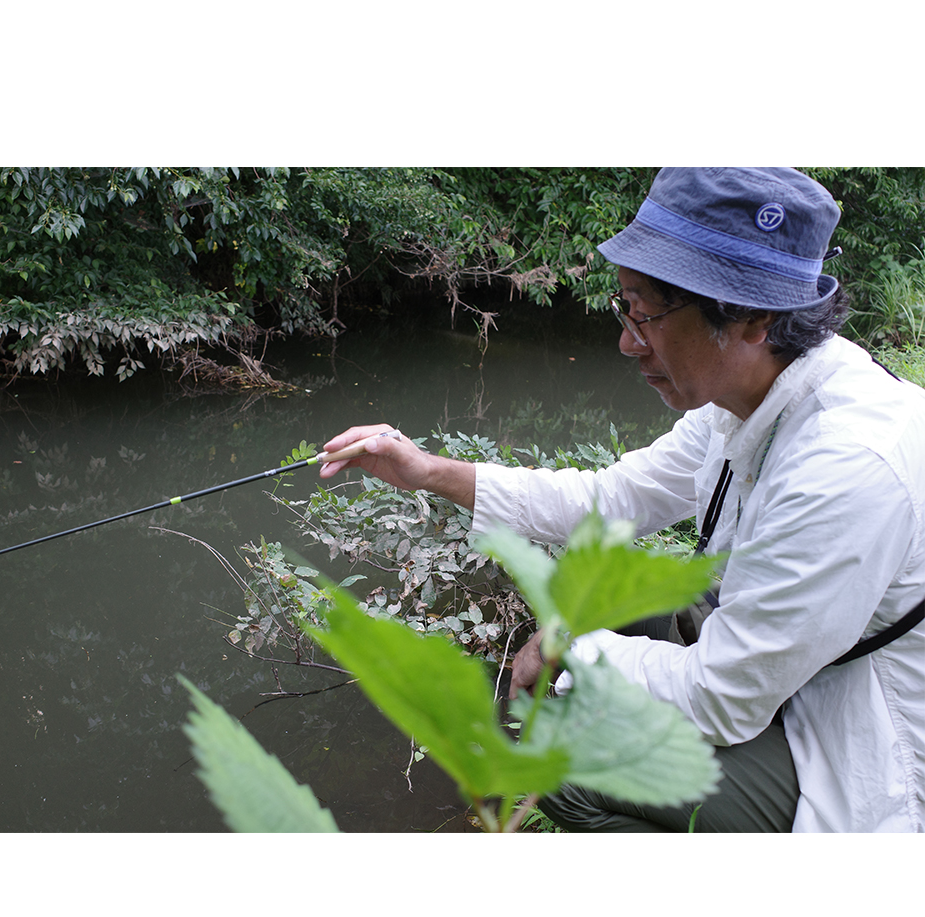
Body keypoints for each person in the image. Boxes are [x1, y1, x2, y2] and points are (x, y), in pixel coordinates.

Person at [318, 168, 925, 834]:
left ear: (753, 319)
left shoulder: (846, 463)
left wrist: (570, 649)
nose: (628, 341)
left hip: (856, 719)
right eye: (625, 309)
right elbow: (611, 499)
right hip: (788, 665)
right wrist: (429, 470)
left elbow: (724, 699)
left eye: (648, 314)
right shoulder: (749, 394)